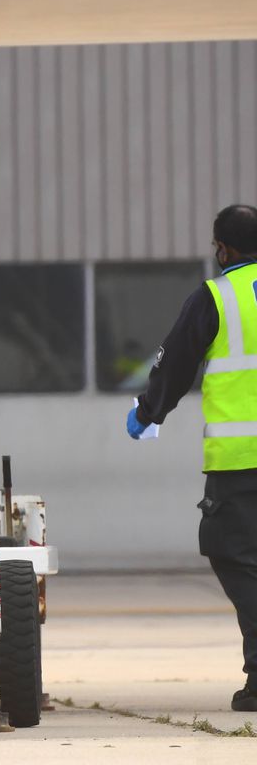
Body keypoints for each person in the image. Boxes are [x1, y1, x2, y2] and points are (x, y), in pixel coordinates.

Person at [126, 204, 257, 713]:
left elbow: (176, 362)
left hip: (239, 464)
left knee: (237, 558)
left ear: (223, 249)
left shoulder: (217, 297)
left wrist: (148, 412)